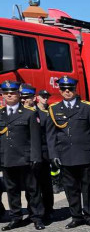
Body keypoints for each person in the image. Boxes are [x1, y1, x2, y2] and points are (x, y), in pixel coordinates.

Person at [45, 76, 90, 228]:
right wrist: (53, 155)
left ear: (75, 90)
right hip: (65, 155)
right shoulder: (54, 109)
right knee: (71, 188)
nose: (67, 92)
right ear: (60, 90)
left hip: (85, 153)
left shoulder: (87, 107)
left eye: (70, 89)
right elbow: (51, 136)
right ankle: (76, 216)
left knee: (88, 187)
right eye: (64, 89)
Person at [0, 80, 44, 231]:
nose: (9, 95)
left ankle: (36, 217)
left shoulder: (29, 113)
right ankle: (16, 217)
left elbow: (35, 138)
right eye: (6, 93)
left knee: (33, 190)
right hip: (7, 157)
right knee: (12, 190)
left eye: (12, 93)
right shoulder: (1, 114)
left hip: (26, 158)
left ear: (19, 94)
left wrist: (36, 157)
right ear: (2, 95)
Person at [20, 85, 55, 221]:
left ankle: (48, 210)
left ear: (34, 98)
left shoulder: (43, 114)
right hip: (26, 155)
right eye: (22, 98)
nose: (24, 100)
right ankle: (33, 211)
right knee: (31, 186)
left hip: (42, 154)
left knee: (45, 184)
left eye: (27, 98)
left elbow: (49, 136)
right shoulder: (19, 113)